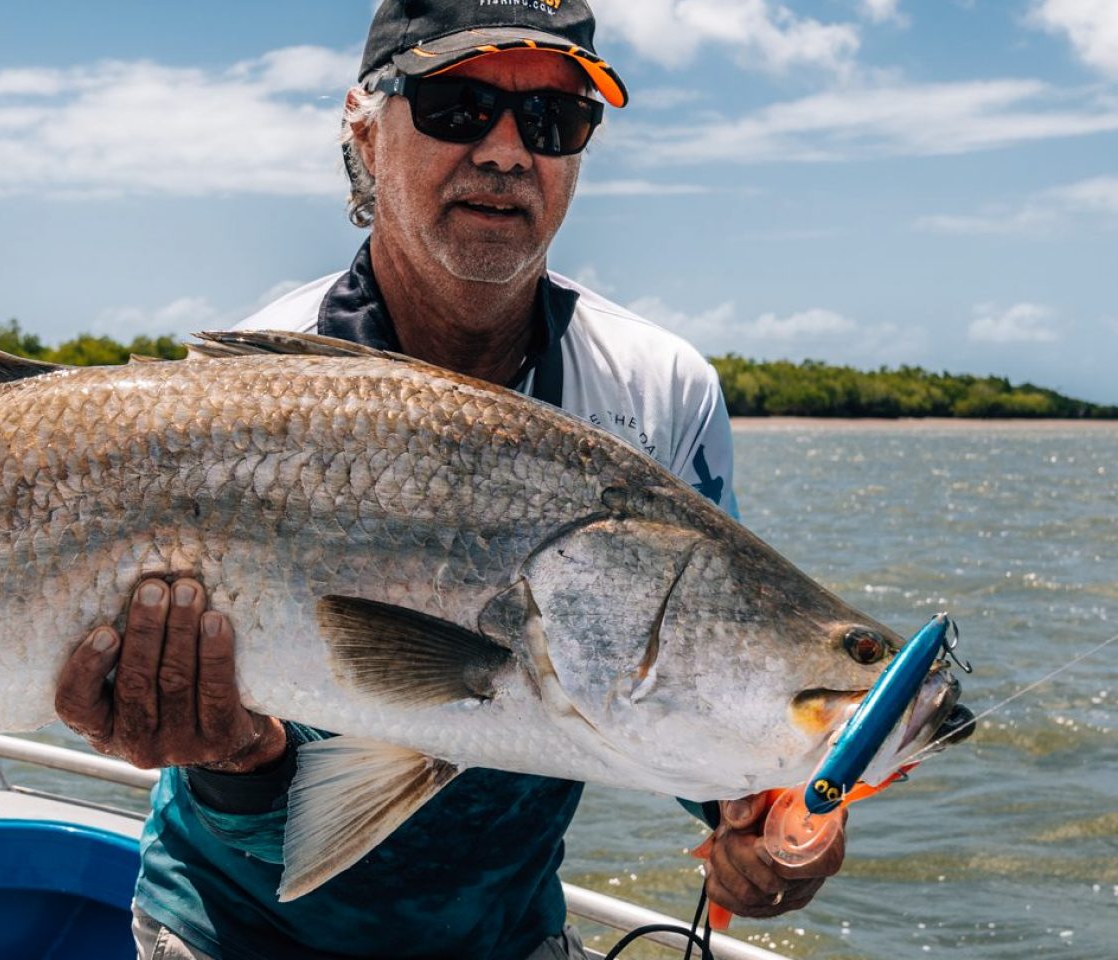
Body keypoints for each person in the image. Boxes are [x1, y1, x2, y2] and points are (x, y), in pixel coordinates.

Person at [55, 2, 846, 957]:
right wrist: (232, 759)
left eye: (554, 121)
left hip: (503, 933)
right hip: (232, 925)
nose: (510, 151)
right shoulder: (250, 390)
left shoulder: (660, 393)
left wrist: (768, 815)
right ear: (363, 127)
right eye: (458, 105)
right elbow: (264, 785)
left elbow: (674, 687)